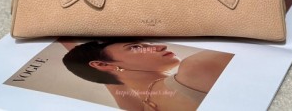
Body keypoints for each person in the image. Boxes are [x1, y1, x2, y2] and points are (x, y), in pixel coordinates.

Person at [60, 39, 233, 111]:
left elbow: (109, 80)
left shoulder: (139, 106)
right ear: (103, 65)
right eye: (135, 47)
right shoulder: (194, 69)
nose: (160, 46)